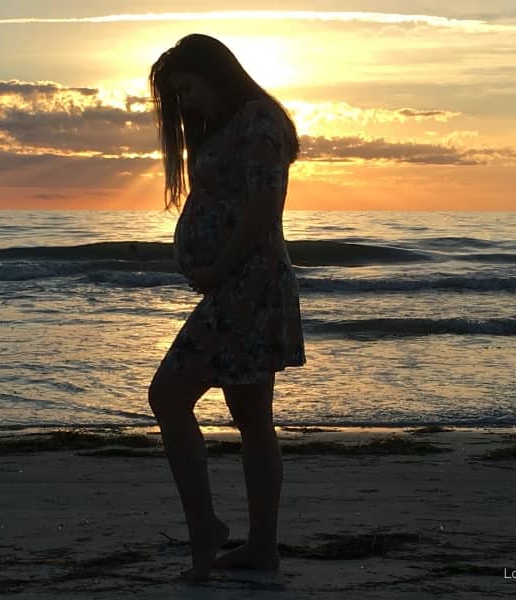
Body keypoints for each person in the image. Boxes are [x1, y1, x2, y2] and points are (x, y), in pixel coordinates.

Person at [147, 33, 307, 583]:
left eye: (188, 88)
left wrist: (217, 267)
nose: (186, 103)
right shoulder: (224, 125)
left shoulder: (259, 119)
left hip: (249, 284)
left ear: (216, 74)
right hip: (237, 284)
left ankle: (204, 527)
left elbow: (266, 205)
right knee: (252, 418)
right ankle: (262, 547)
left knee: (167, 395)